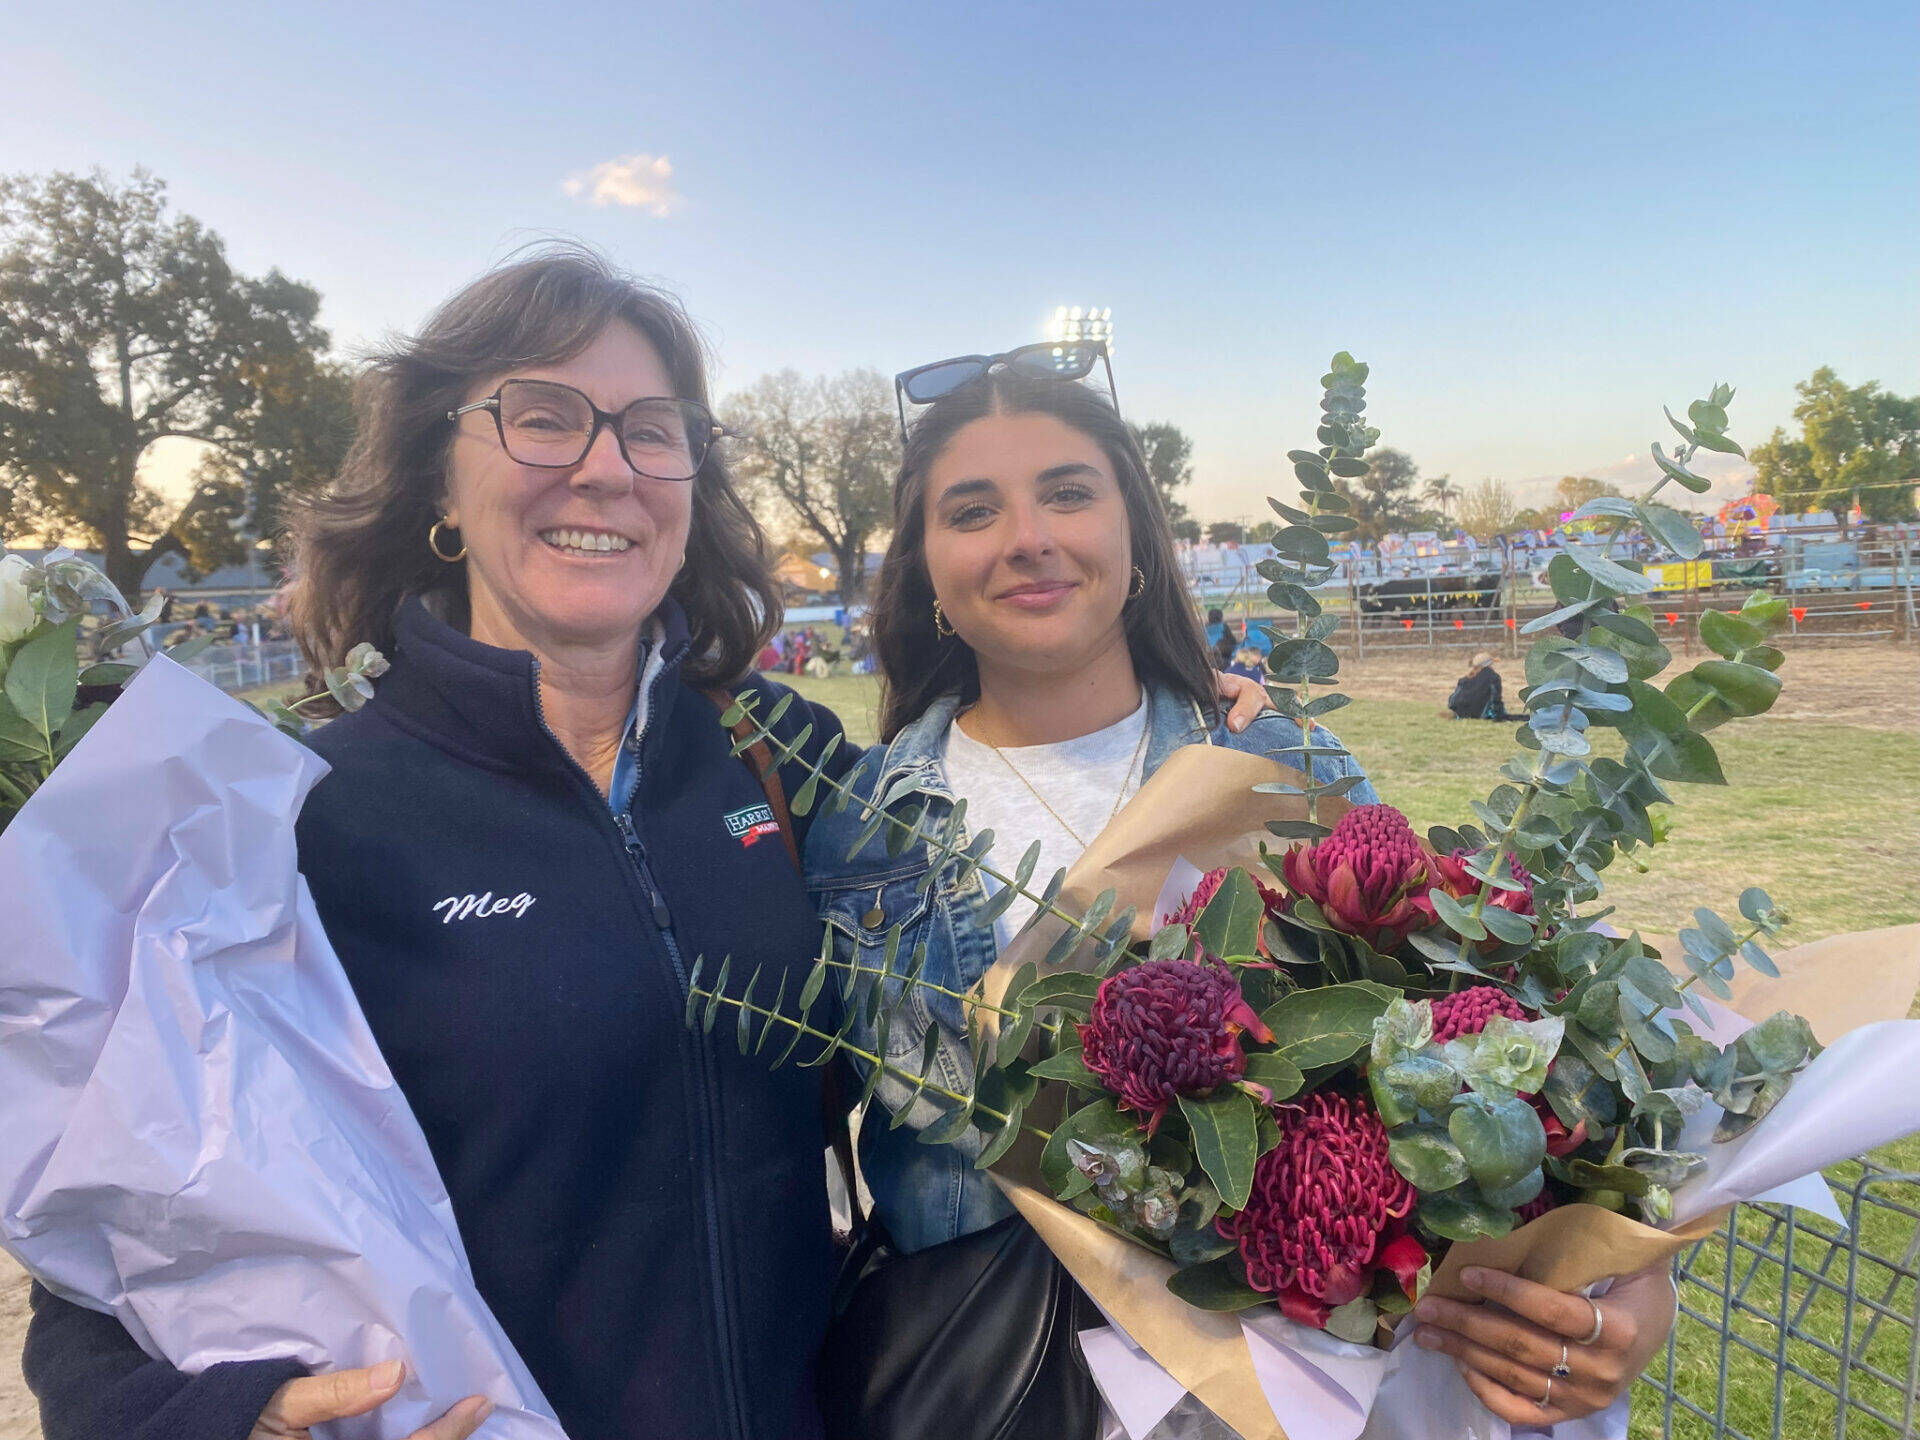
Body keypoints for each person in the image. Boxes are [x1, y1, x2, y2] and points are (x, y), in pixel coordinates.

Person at [23, 247, 858, 1440]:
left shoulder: (784, 756)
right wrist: (215, 1418)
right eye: (543, 419)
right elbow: (110, 1234)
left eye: (652, 429)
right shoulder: (286, 816)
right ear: (436, 482)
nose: (607, 468)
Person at [805, 360, 1674, 1427]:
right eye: (972, 509)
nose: (1027, 536)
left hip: (1290, 1392)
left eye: (1068, 492)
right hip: (994, 1386)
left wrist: (1622, 1276)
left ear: (1135, 533)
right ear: (928, 570)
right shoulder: (857, 825)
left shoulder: (1277, 765)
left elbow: (1460, 1054)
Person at [1443, 650, 1509, 720]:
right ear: (1489, 664)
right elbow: (1495, 700)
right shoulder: (1494, 677)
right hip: (1479, 714)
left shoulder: (1464, 679)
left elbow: (1453, 700)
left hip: (1460, 713)